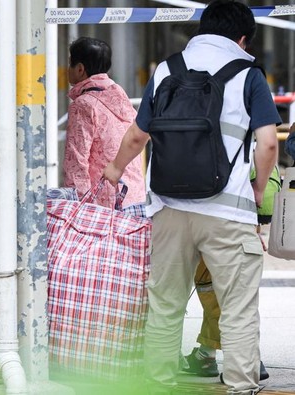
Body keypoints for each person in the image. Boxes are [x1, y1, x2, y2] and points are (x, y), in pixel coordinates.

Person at [102, 1, 280, 394]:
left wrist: (114, 171)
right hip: (229, 212)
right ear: (243, 37)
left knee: (165, 306)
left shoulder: (167, 68)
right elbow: (268, 144)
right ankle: (240, 387)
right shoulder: (248, 73)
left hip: (168, 208)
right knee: (237, 309)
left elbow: (136, 135)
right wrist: (255, 189)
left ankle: (158, 384)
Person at [63, 37, 145, 208]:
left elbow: (76, 163)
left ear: (80, 69)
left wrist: (79, 208)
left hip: (101, 204)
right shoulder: (118, 94)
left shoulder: (83, 104)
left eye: (70, 64)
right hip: (132, 197)